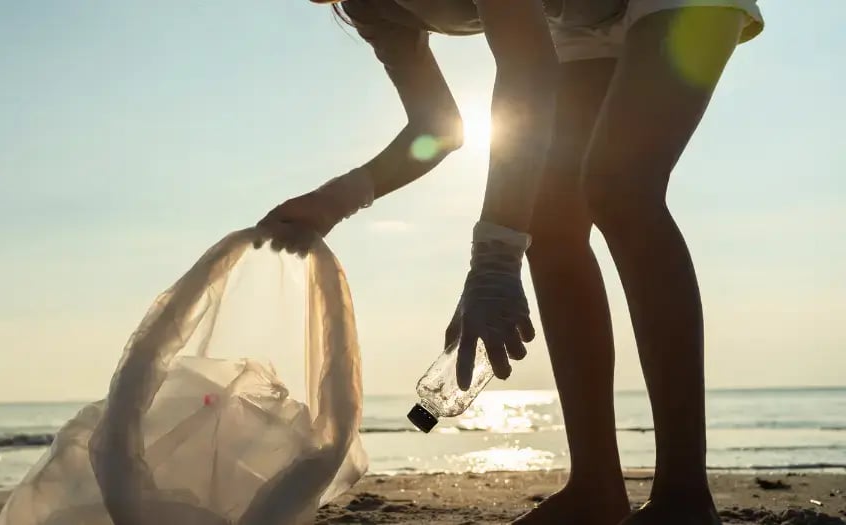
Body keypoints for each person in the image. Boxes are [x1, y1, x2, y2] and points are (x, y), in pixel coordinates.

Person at [255, 1, 764, 524]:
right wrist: (333, 201)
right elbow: (438, 127)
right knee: (549, 223)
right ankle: (595, 488)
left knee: (620, 186)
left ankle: (683, 497)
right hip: (579, 25)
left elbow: (527, 72)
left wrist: (494, 263)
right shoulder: (368, 8)